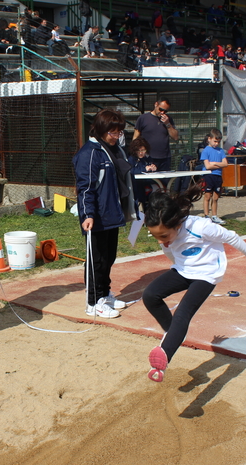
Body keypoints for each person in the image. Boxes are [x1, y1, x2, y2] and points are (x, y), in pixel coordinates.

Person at [142, 184, 246, 383]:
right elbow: (170, 252)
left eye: (163, 235)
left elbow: (231, 237)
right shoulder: (164, 236)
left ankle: (164, 356)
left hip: (207, 274)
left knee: (183, 312)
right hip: (184, 270)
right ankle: (174, 333)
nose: (161, 240)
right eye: (155, 236)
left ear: (177, 224)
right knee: (150, 295)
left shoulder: (200, 227)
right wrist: (177, 265)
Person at [73, 108, 137, 319]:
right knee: (96, 260)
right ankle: (94, 302)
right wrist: (88, 214)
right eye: (113, 132)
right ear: (101, 130)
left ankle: (105, 293)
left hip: (112, 214)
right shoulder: (89, 154)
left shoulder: (112, 149)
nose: (116, 136)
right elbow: (85, 188)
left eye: (119, 132)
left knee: (109, 258)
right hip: (97, 217)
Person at [132, 99, 178, 174]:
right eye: (161, 109)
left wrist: (168, 124)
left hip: (164, 157)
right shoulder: (143, 118)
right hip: (149, 157)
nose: (162, 112)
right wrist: (136, 153)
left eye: (165, 111)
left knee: (164, 183)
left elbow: (175, 137)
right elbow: (135, 138)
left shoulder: (168, 119)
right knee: (150, 183)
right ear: (156, 104)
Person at [199, 128, 227, 224]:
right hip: (208, 176)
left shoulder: (221, 151)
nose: (216, 144)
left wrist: (214, 163)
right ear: (209, 139)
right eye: (215, 141)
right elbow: (207, 166)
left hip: (218, 176)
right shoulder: (206, 151)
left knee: (216, 197)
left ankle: (214, 215)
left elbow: (225, 164)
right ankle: (206, 215)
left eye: (218, 142)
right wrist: (219, 164)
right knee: (207, 196)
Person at [128, 137, 158, 211]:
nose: (141, 153)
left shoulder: (147, 158)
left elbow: (151, 167)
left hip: (147, 183)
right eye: (139, 150)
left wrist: (153, 168)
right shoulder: (131, 159)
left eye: (143, 150)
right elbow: (131, 170)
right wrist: (145, 169)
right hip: (136, 186)